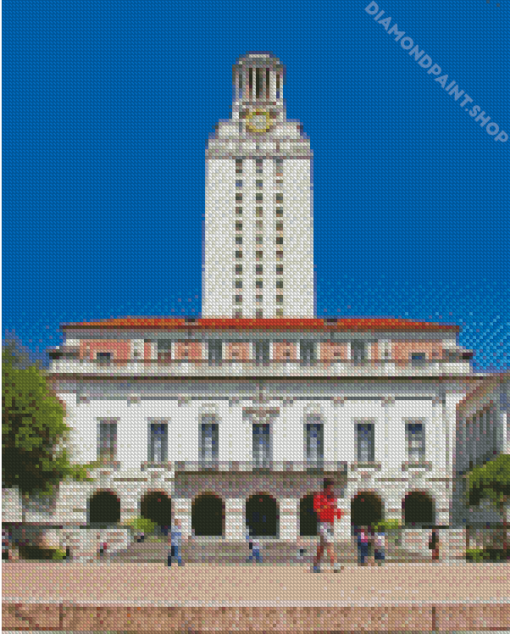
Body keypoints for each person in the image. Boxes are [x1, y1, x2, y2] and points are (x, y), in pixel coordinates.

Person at [312, 478, 344, 573]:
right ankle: (335, 565)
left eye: (332, 488)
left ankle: (316, 566)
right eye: (330, 488)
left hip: (330, 524)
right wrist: (327, 506)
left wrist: (339, 513)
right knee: (330, 544)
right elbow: (317, 510)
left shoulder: (332, 497)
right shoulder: (319, 496)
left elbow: (334, 510)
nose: (331, 490)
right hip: (323, 523)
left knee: (322, 547)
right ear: (325, 488)